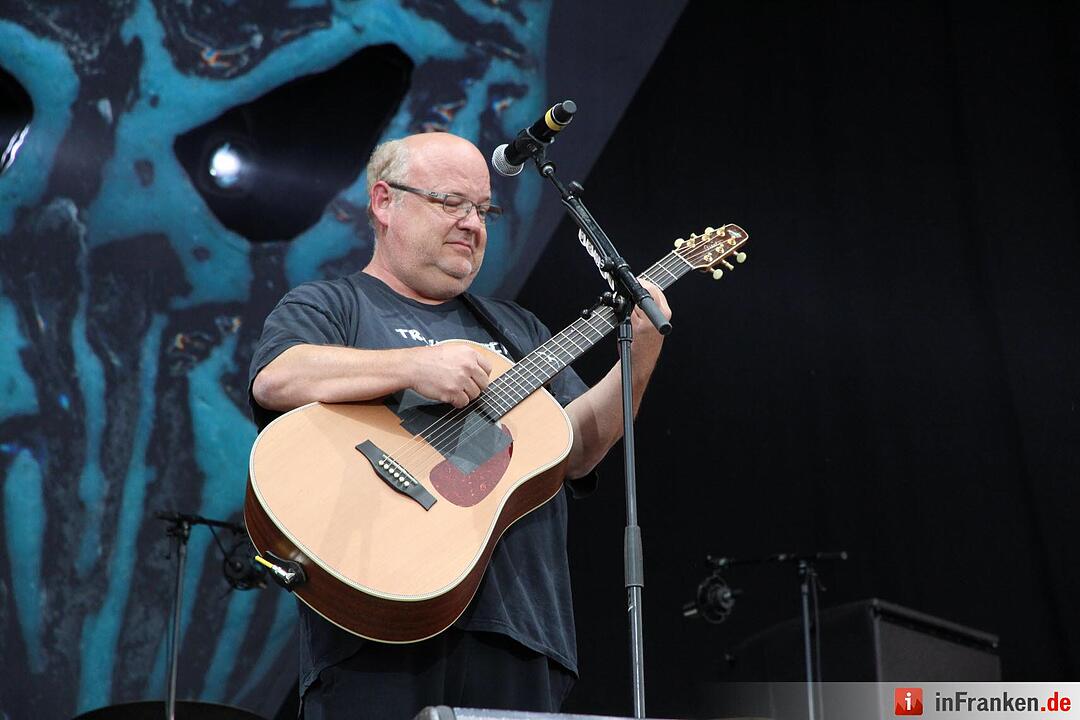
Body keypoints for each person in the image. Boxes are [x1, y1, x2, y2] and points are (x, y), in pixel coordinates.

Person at [248, 131, 670, 719]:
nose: (472, 223)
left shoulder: (518, 330)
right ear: (384, 202)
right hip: (374, 626)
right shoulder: (331, 305)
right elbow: (278, 378)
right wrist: (414, 365)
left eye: (484, 210)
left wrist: (641, 352)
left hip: (520, 631)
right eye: (451, 203)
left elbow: (574, 451)